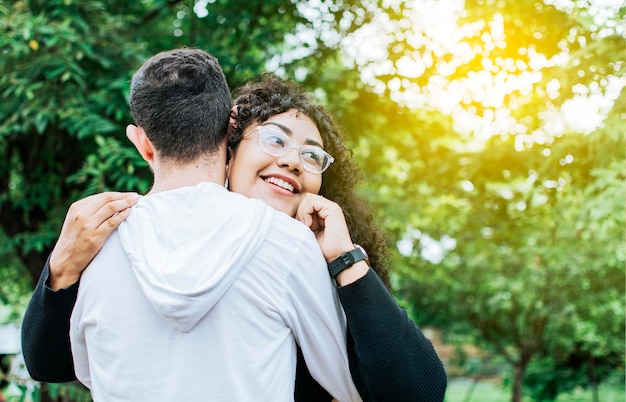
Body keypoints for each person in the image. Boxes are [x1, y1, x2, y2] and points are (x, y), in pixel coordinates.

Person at [21, 75, 448, 400]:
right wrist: (61, 270)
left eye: (312, 155)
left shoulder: (322, 262)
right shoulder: (147, 238)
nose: (293, 161)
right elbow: (51, 363)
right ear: (228, 147)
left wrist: (345, 259)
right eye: (275, 139)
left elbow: (417, 390)